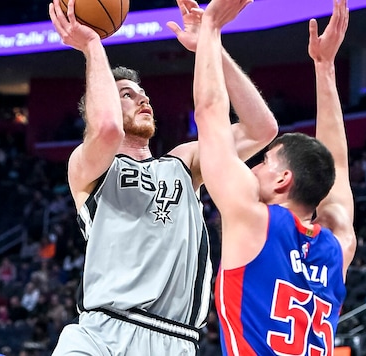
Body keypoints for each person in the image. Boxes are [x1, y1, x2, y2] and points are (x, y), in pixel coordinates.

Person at [47, 0, 278, 353]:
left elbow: (261, 128)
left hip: (175, 339)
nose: (143, 101)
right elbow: (107, 128)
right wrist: (92, 45)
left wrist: (210, 45)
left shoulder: (183, 162)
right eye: (127, 95)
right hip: (101, 334)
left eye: (144, 95)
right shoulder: (87, 166)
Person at [193, 0, 355, 355]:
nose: (252, 167)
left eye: (264, 161)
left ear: (283, 179)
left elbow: (209, 115)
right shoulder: (337, 246)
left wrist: (210, 28)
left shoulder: (251, 220)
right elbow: (336, 168)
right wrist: (324, 67)